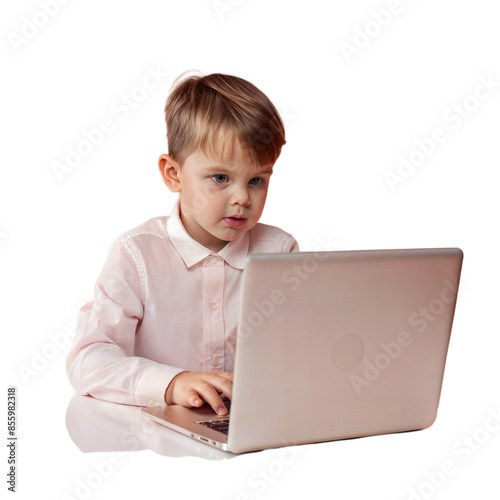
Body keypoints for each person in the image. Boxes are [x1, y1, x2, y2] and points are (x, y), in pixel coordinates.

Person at [66, 71, 299, 416]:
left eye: (256, 180)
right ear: (173, 174)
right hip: (149, 433)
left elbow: (300, 350)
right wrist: (172, 383)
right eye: (220, 178)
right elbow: (88, 359)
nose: (242, 198)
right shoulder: (137, 255)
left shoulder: (279, 251)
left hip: (250, 426)